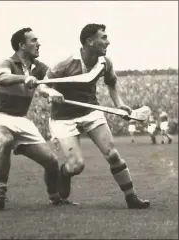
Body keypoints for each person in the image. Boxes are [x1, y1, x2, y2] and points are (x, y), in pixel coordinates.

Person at [41, 23, 150, 209]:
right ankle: (65, 173)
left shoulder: (105, 62)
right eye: (104, 37)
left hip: (90, 110)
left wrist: (119, 103)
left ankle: (131, 197)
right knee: (76, 165)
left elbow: (112, 82)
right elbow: (43, 85)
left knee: (112, 154)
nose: (108, 41)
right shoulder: (65, 62)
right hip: (63, 117)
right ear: (90, 41)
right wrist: (51, 93)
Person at [0, 27, 65, 210]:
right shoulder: (8, 62)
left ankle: (55, 198)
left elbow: (43, 88)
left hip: (20, 120)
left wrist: (52, 92)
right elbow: (2, 78)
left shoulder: (40, 68)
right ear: (21, 45)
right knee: (5, 139)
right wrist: (24, 78)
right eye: (33, 40)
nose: (38, 43)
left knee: (52, 162)